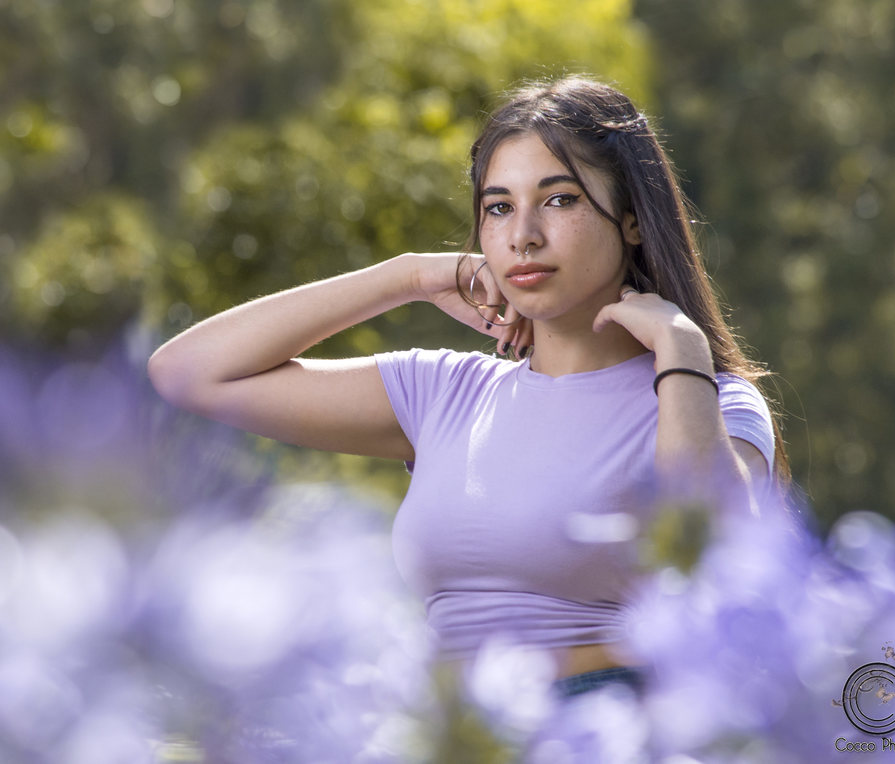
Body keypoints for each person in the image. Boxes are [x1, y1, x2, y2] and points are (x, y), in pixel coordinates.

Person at [148, 74, 787, 701]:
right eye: (498, 208)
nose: (522, 235)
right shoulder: (446, 393)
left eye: (559, 199)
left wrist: (681, 349)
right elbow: (187, 373)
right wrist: (408, 277)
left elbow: (716, 556)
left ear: (632, 221)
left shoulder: (711, 399)